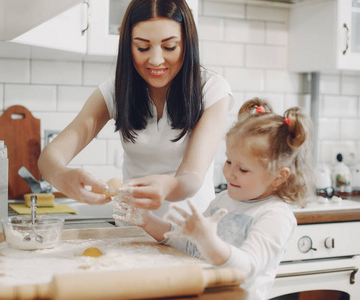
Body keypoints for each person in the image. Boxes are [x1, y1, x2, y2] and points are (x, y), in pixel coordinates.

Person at [38, 0, 234, 218]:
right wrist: (61, 175)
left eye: (169, 47)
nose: (156, 60)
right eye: (142, 47)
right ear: (128, 45)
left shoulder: (212, 89)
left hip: (191, 237)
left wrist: (168, 186)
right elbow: (50, 155)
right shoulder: (116, 90)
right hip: (133, 231)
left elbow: (191, 177)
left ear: (187, 44)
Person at [113, 98, 315, 300]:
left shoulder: (275, 216)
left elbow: (247, 268)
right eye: (229, 161)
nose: (229, 173)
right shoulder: (223, 199)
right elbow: (189, 243)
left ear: (279, 177)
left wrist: (208, 241)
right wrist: (148, 221)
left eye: (243, 169)